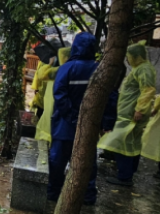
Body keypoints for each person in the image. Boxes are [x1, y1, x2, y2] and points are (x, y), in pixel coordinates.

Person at [47, 32, 100, 204]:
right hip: (89, 126)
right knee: (87, 161)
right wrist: (106, 121)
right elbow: (110, 95)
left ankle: (54, 193)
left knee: (57, 161)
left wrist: (71, 116)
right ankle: (88, 195)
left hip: (64, 125)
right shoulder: (99, 69)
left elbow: (59, 94)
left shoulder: (67, 68)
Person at [99, 41, 157, 186]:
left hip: (131, 114)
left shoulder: (144, 69)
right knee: (131, 143)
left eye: (129, 56)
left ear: (136, 56)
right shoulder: (141, 68)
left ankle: (124, 176)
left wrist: (140, 110)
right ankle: (129, 172)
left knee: (121, 143)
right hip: (130, 112)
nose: (127, 59)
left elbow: (148, 90)